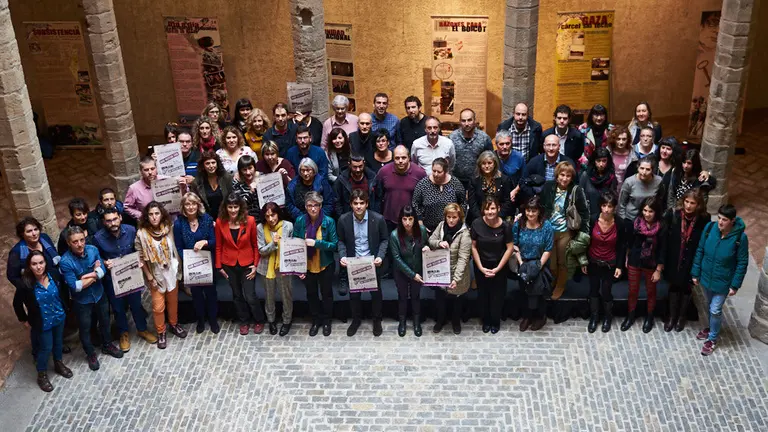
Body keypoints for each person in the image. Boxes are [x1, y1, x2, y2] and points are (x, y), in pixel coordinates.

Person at [93, 208, 157, 352]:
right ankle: (123, 333)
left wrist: (140, 260)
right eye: (108, 221)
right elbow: (97, 259)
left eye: (115, 219)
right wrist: (104, 263)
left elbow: (137, 249)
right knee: (118, 308)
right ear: (104, 222)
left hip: (132, 275)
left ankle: (142, 329)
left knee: (136, 304)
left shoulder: (131, 230)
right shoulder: (98, 238)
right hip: (113, 280)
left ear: (120, 218)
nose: (112, 223)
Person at [59, 226, 123, 368]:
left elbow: (103, 271)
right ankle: (90, 354)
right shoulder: (65, 261)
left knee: (105, 322)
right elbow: (75, 286)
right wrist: (95, 274)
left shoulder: (93, 250)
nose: (80, 244)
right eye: (75, 241)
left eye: (82, 240)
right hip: (82, 302)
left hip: (100, 295)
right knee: (85, 329)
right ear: (69, 243)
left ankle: (107, 345)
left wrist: (86, 277)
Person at [691, 204, 749, 356]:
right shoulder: (710, 229)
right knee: (710, 305)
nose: (720, 222)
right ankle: (711, 328)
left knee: (715, 309)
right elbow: (700, 250)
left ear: (732, 221)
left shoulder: (740, 239)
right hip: (707, 278)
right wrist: (696, 273)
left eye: (724, 220)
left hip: (723, 282)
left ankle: (713, 338)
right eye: (719, 218)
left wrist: (735, 285)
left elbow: (742, 262)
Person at [13, 251, 72, 392]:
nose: (39, 267)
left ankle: (58, 363)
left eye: (41, 263)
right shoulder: (24, 284)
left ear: (45, 263)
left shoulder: (54, 275)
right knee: (45, 348)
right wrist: (24, 320)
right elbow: (17, 304)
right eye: (34, 264)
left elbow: (63, 291)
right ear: (29, 266)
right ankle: (42, 374)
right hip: (42, 322)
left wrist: (66, 307)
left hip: (58, 316)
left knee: (58, 343)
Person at [135, 202, 188, 348]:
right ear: (147, 216)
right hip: (155, 274)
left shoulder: (168, 228)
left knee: (173, 301)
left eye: (156, 213)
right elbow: (140, 258)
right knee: (158, 306)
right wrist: (149, 277)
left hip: (171, 271)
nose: (154, 217)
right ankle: (161, 331)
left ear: (161, 214)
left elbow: (175, 249)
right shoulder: (141, 234)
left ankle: (174, 324)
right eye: (151, 214)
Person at [338, 189, 389, 337]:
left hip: (372, 263)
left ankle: (377, 320)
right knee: (354, 295)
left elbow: (385, 240)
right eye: (355, 203)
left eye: (361, 203)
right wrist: (342, 256)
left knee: (376, 294)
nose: (359, 206)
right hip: (354, 263)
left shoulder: (378, 219)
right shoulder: (343, 220)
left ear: (367, 204)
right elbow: (340, 241)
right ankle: (356, 320)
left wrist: (380, 256)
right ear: (351, 204)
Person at [215, 194, 266, 336]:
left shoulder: (249, 221)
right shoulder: (220, 222)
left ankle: (259, 320)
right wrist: (219, 266)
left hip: (247, 263)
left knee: (250, 295)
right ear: (225, 207)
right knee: (237, 295)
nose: (232, 210)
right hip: (229, 264)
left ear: (240, 207)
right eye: (230, 207)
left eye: (235, 207)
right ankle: (244, 321)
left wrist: (255, 265)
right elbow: (219, 245)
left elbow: (255, 245)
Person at [541, 161, 590, 299]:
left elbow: (584, 213)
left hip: (566, 231)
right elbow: (542, 206)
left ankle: (560, 285)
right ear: (557, 175)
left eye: (568, 175)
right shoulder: (549, 186)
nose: (564, 178)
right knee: (551, 264)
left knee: (562, 261)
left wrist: (584, 233)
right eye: (562, 175)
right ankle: (555, 281)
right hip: (550, 230)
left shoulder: (576, 190)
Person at [663, 189, 710, 332]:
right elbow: (666, 239)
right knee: (674, 286)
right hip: (675, 257)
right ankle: (672, 316)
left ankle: (682, 316)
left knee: (686, 288)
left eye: (692, 203)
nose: (689, 206)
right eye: (687, 202)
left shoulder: (703, 219)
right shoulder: (674, 215)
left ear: (698, 205)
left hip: (691, 257)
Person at [293, 191, 338, 336]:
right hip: (307, 266)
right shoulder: (300, 221)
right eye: (310, 205)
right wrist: (298, 268)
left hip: (325, 264)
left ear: (321, 206)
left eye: (316, 205)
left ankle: (327, 321)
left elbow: (334, 245)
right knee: (311, 294)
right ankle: (316, 320)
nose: (313, 209)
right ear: (305, 207)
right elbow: (295, 244)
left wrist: (317, 243)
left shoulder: (329, 221)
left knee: (326, 294)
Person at [173, 192, 219, 334]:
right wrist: (187, 258)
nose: (191, 207)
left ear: (198, 205)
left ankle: (213, 320)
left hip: (207, 262)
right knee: (197, 295)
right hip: (191, 265)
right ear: (183, 206)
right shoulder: (179, 223)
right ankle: (200, 320)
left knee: (211, 293)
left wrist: (205, 242)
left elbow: (214, 242)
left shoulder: (206, 219)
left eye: (193, 203)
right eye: (187, 204)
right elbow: (179, 246)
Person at [424, 203, 472, 334]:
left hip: (458, 274)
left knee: (457, 302)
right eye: (449, 217)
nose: (451, 220)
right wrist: (439, 243)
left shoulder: (464, 234)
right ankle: (441, 320)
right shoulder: (441, 226)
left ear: (459, 217)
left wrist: (456, 278)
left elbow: (463, 258)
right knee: (440, 300)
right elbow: (431, 240)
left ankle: (456, 322)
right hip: (441, 271)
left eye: (454, 217)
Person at [622, 196, 666, 333]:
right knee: (632, 290)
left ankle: (649, 317)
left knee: (651, 291)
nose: (647, 214)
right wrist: (626, 257)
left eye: (650, 211)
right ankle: (630, 315)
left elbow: (663, 250)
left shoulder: (661, 227)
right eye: (645, 210)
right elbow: (629, 243)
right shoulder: (636, 223)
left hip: (651, 263)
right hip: (635, 260)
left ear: (656, 212)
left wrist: (658, 269)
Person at [471, 196, 514, 334]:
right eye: (487, 208)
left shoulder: (505, 226)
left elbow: (509, 248)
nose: (490, 212)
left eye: (493, 208)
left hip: (499, 265)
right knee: (483, 294)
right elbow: (473, 247)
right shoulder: (476, 224)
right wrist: (480, 267)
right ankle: (486, 320)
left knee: (497, 295)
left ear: (498, 209)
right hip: (481, 265)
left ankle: (495, 321)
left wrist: (498, 268)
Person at [584, 192, 625, 333]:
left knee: (607, 291)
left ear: (614, 207)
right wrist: (584, 261)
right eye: (604, 206)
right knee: (593, 290)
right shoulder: (592, 220)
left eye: (610, 206)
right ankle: (594, 317)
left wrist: (619, 265)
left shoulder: (619, 223)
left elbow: (621, 246)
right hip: (593, 261)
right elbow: (585, 242)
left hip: (610, 262)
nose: (606, 209)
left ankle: (608, 317)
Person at [511, 196, 554, 331]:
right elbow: (514, 244)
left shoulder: (546, 226)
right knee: (524, 291)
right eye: (528, 211)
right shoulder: (519, 224)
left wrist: (538, 266)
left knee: (538, 293)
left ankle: (540, 317)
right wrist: (521, 263)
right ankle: (527, 316)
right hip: (523, 262)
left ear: (539, 211)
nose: (530, 214)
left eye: (533, 211)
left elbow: (548, 248)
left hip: (539, 262)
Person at [390, 206, 429, 337]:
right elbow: (396, 258)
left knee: (416, 297)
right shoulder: (395, 235)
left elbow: (426, 244)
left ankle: (416, 322)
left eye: (410, 219)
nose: (407, 222)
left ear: (415, 219)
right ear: (400, 220)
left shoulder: (422, 231)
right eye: (405, 219)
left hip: (417, 269)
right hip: (401, 271)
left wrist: (427, 248)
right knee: (402, 297)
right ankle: (402, 322)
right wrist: (413, 275)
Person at [256, 203, 295, 336]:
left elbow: (291, 247)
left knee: (286, 295)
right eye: (267, 216)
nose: (271, 219)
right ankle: (271, 321)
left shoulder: (288, 226)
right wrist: (274, 243)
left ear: (278, 213)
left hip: (283, 265)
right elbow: (261, 250)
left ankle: (287, 320)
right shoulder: (260, 228)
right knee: (269, 296)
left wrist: (281, 244)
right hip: (266, 267)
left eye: (273, 215)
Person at [372, 145, 427, 231]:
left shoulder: (419, 173)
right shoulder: (383, 172)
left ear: (409, 158)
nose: (400, 161)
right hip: (388, 220)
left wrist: (420, 219)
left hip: (411, 221)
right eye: (397, 158)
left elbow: (423, 200)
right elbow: (377, 197)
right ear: (393, 158)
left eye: (403, 158)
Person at [412, 158, 466, 233]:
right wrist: (420, 224)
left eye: (439, 172)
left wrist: (459, 221)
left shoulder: (455, 184)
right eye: (434, 171)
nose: (436, 174)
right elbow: (415, 203)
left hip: (450, 229)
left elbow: (463, 203)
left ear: (446, 171)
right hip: (429, 228)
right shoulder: (423, 184)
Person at [618, 156, 663, 237]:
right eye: (641, 168)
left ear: (652, 170)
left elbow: (660, 200)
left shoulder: (658, 181)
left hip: (650, 220)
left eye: (648, 169)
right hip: (631, 218)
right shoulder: (629, 182)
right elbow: (621, 203)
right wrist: (623, 221)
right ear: (637, 167)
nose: (644, 172)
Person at [449, 108, 493, 189]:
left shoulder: (484, 138)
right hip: (456, 180)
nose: (466, 123)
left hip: (478, 180)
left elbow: (491, 158)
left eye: (469, 120)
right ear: (460, 121)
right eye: (463, 120)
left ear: (475, 121)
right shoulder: (452, 137)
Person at [467, 151, 513, 223]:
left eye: (489, 163)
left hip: (499, 217)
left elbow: (507, 201)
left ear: (495, 164)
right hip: (478, 218)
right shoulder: (474, 180)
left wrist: (498, 217)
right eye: (484, 163)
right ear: (480, 165)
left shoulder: (504, 179)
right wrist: (481, 220)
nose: (487, 166)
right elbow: (472, 203)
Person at [579, 147, 617, 221]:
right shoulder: (586, 175)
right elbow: (580, 198)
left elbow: (613, 199)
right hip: (588, 217)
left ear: (608, 161)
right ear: (594, 161)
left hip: (605, 217)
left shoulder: (611, 177)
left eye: (604, 161)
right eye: (598, 161)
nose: (601, 164)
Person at [194, 151, 232, 220]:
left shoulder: (226, 178)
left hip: (226, 217)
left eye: (213, 163)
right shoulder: (197, 182)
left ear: (217, 164)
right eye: (207, 163)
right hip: (206, 219)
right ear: (203, 165)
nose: (211, 166)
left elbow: (232, 198)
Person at [124, 156, 158, 221]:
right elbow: (127, 207)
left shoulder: (166, 180)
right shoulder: (134, 188)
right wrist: (142, 215)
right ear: (141, 172)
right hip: (146, 223)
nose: (150, 172)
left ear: (156, 168)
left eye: (152, 169)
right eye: (146, 170)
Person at [231, 155, 262, 220]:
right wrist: (251, 192)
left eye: (250, 168)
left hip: (263, 216)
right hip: (245, 218)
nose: (248, 172)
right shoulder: (236, 183)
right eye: (244, 170)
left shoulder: (262, 178)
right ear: (240, 171)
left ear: (254, 167)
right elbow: (239, 205)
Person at [607, 125, 633, 194]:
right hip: (610, 189)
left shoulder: (633, 154)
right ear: (614, 139)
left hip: (628, 189)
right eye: (618, 139)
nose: (621, 142)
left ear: (628, 140)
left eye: (624, 139)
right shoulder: (608, 152)